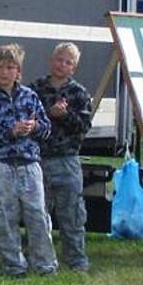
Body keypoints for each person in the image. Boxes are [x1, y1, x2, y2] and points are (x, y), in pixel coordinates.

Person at [0, 43, 58, 278]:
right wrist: (10, 131)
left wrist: (35, 127)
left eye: (10, 67)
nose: (5, 72)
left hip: (29, 164)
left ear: (18, 71)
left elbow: (47, 129)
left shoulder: (30, 97)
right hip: (0, 165)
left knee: (38, 216)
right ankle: (14, 267)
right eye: (0, 67)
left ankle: (45, 266)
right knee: (4, 219)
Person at [31, 42, 92, 272]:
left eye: (68, 62)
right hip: (39, 159)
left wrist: (65, 115)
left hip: (67, 160)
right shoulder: (35, 89)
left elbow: (84, 125)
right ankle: (43, 261)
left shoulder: (78, 93)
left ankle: (76, 261)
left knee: (72, 214)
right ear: (51, 60)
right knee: (38, 214)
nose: (62, 65)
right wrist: (49, 114)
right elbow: (28, 117)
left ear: (73, 68)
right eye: (59, 59)